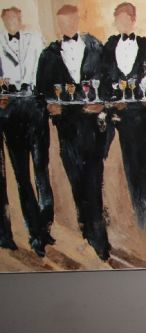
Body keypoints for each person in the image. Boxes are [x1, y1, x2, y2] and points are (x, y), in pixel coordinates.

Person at [36, 4, 110, 261]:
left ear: (78, 21)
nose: (67, 27)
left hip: (93, 127)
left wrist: (103, 104)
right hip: (67, 129)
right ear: (59, 26)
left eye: (71, 22)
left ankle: (100, 242)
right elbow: (40, 93)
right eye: (63, 23)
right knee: (77, 183)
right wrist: (49, 106)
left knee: (94, 182)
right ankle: (87, 231)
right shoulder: (49, 55)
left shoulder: (96, 47)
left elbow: (109, 84)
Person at [102, 2, 146, 243]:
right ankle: (142, 222)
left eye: (125, 19)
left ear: (133, 20)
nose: (121, 23)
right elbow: (104, 82)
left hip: (144, 117)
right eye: (118, 19)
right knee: (132, 170)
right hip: (123, 119)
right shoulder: (109, 48)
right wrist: (113, 102)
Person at [0, 6, 53, 256]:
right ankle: (35, 233)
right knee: (22, 175)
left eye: (14, 18)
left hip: (35, 108)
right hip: (10, 112)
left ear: (20, 20)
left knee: (41, 170)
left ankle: (45, 226)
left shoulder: (35, 40)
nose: (11, 23)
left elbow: (45, 71)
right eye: (7, 20)